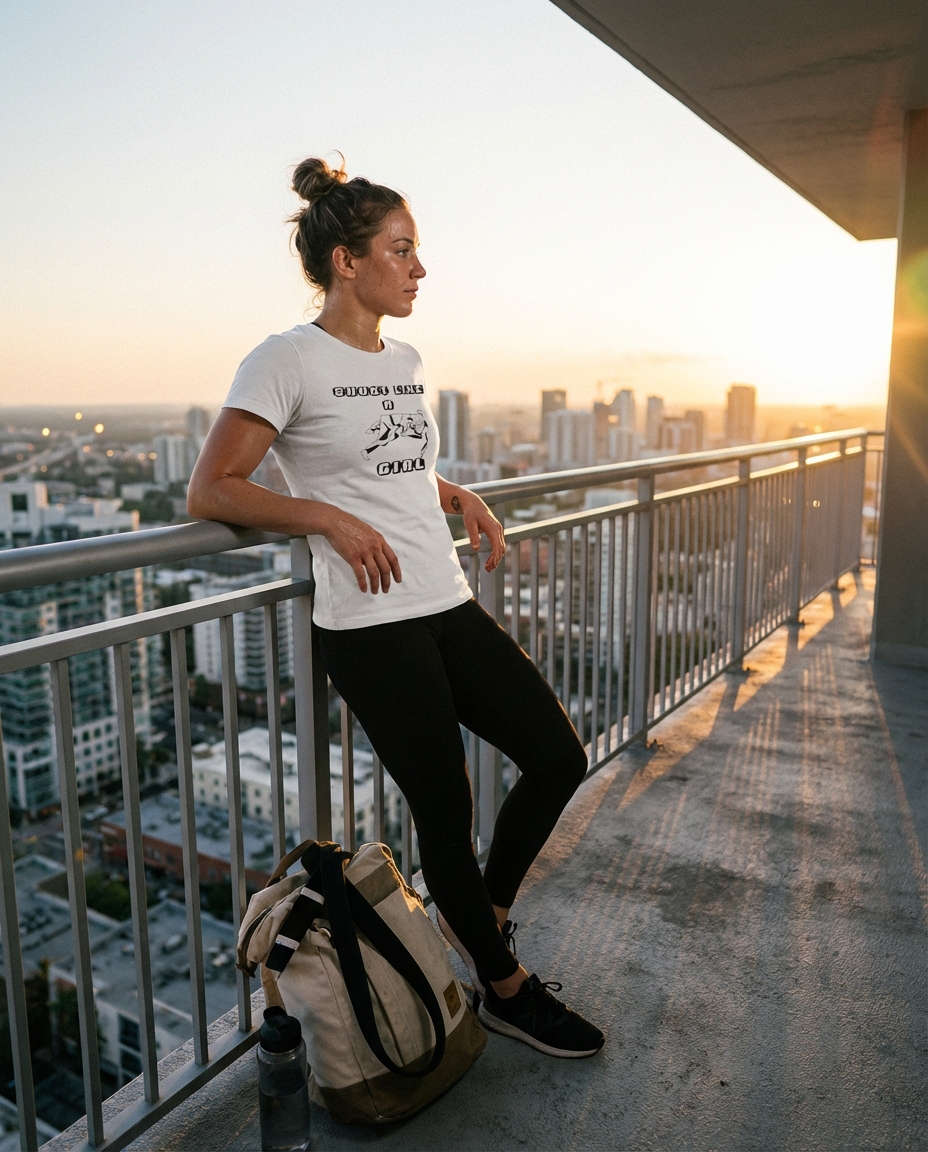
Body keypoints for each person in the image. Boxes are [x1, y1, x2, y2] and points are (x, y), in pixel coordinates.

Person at [187, 156, 604, 1059]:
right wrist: (327, 520)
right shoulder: (285, 358)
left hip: (443, 598)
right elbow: (212, 488)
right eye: (401, 250)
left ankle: (482, 918)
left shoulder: (405, 360)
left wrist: (455, 491)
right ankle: (505, 989)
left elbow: (389, 463)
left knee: (557, 755)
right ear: (346, 262)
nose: (420, 268)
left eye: (417, 250)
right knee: (445, 811)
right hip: (371, 625)